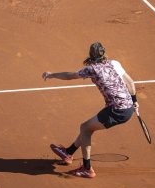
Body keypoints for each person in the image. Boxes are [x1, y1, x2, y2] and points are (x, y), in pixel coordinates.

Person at [42, 42, 138, 178]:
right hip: (126, 106)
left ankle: (87, 169)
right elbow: (131, 83)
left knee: (85, 128)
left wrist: (52, 75)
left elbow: (70, 76)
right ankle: (68, 152)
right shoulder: (114, 63)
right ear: (104, 53)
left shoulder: (91, 69)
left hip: (117, 111)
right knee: (88, 127)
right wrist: (134, 102)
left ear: (91, 55)